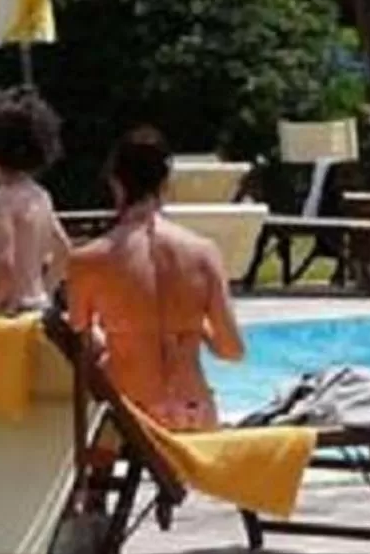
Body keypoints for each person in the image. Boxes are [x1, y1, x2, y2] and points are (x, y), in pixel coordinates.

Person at [65, 128, 246, 431]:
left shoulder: (88, 260)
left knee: (92, 434)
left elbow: (78, 344)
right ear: (165, 183)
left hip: (127, 414)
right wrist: (195, 329)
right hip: (194, 411)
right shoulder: (203, 253)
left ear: (116, 183)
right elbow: (232, 350)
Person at [0, 87, 73, 316]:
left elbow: (4, 263)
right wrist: (46, 291)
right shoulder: (41, 196)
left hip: (10, 310)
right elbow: (64, 251)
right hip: (39, 305)